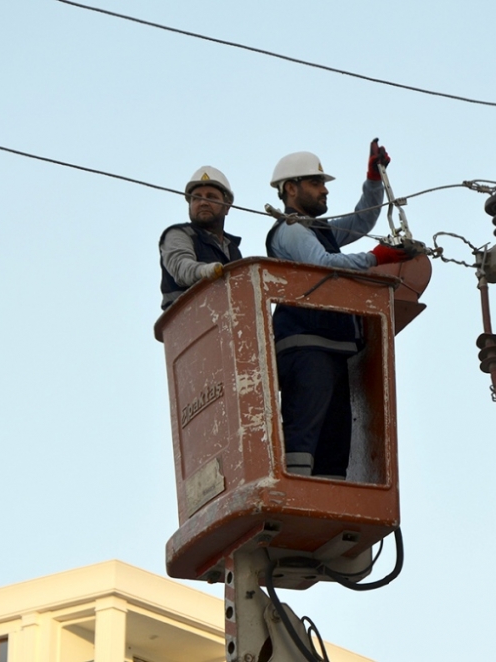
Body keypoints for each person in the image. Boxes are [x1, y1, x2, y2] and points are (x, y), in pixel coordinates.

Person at [266, 140, 411, 478]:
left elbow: (362, 222)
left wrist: (373, 181)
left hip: (330, 345)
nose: (324, 190)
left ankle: (324, 498)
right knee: (304, 433)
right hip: (305, 344)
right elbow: (324, 263)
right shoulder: (290, 230)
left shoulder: (319, 229)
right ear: (291, 189)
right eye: (316, 183)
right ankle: (296, 492)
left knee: (333, 440)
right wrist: (376, 258)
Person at [159, 166, 243, 310]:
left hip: (224, 319)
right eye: (196, 198)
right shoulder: (178, 234)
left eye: (211, 197)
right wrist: (205, 271)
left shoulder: (232, 249)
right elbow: (182, 268)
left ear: (227, 206)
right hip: (186, 319)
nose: (203, 202)